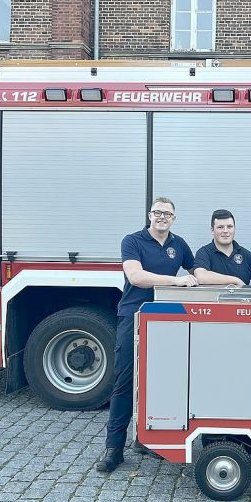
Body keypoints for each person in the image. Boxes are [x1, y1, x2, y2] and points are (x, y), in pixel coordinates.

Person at [96, 197, 198, 473]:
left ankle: (148, 440)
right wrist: (177, 280)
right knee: (125, 380)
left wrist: (232, 281)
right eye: (157, 212)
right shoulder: (133, 241)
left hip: (167, 318)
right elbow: (136, 277)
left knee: (160, 381)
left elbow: (197, 272)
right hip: (135, 315)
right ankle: (113, 449)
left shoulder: (179, 245)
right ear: (149, 215)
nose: (162, 217)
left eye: (167, 213)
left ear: (174, 219)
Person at [193, 209, 251, 286]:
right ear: (212, 230)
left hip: (240, 298)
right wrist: (236, 280)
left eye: (229, 227)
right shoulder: (204, 253)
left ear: (234, 229)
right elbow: (201, 276)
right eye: (220, 227)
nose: (225, 231)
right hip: (212, 298)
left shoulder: (247, 256)